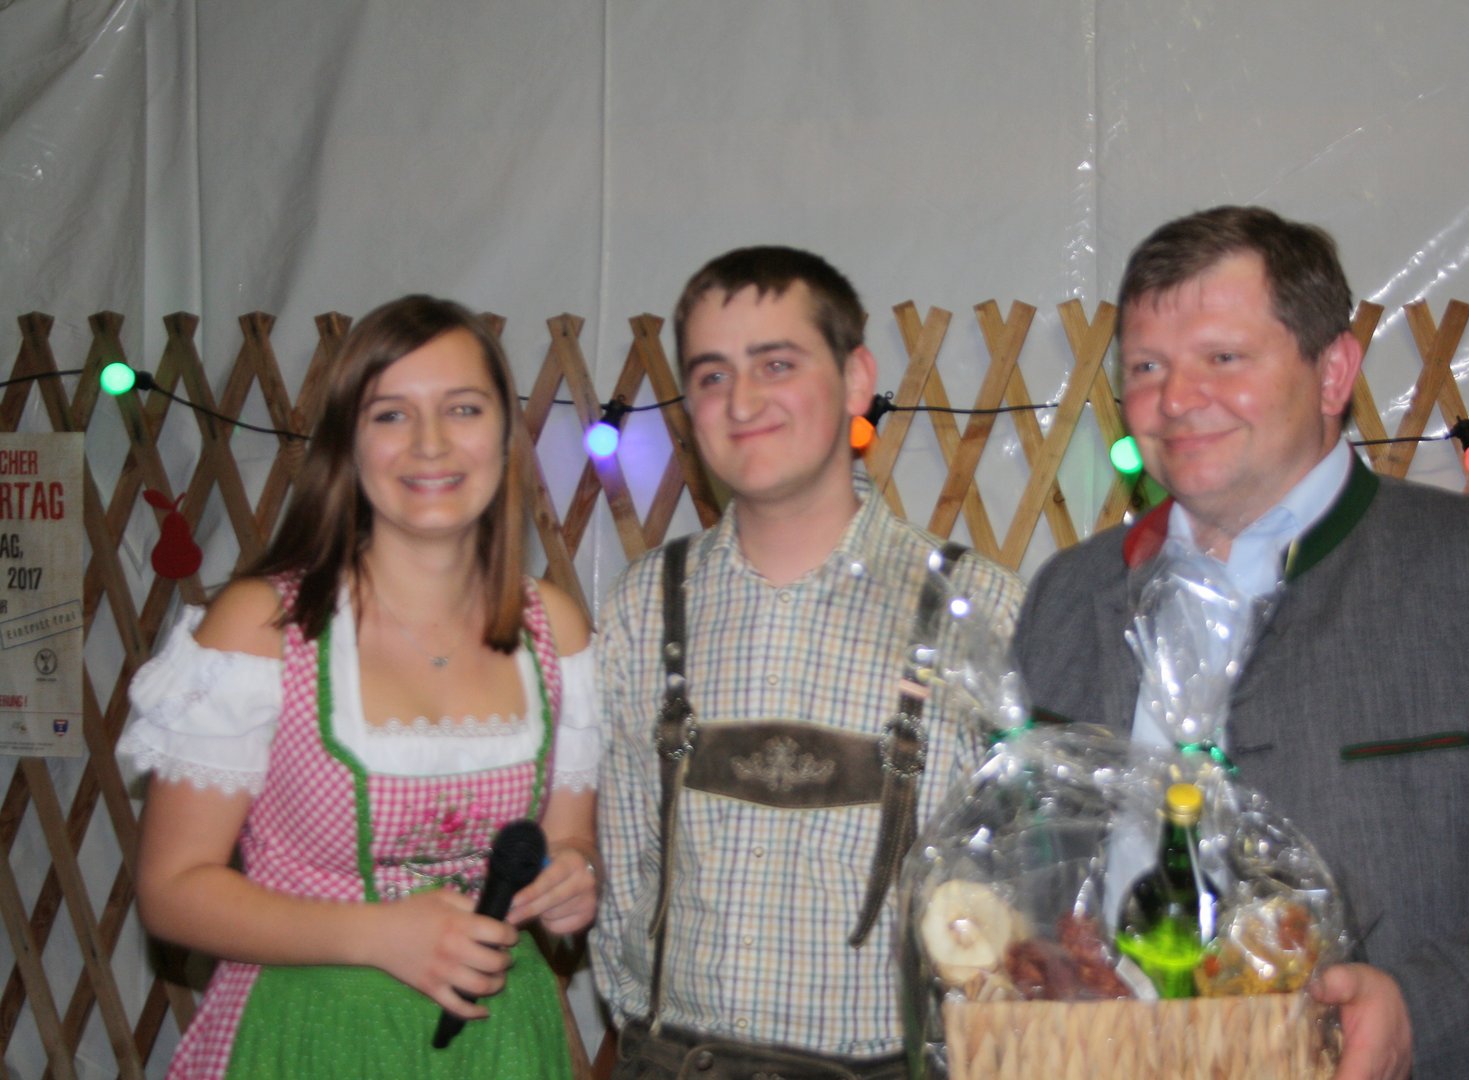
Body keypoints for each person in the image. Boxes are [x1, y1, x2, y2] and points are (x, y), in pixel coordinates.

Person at [1013, 206, 1469, 1080]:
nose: (1175, 399)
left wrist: (1422, 1014)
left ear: (1334, 372)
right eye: (1147, 367)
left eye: (1223, 358)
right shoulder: (1068, 597)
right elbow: (1020, 870)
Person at [118, 295, 601, 1078]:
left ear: (505, 436)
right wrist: (379, 934)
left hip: (500, 1042)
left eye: (463, 408)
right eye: (391, 415)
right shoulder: (263, 628)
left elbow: (568, 841)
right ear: (348, 442)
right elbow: (173, 891)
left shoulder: (554, 629)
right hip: (311, 1035)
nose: (431, 443)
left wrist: (573, 880)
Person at [589, 246, 1026, 1079]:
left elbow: (1020, 896)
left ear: (857, 380)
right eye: (711, 375)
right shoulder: (643, 606)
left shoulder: (979, 610)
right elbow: (620, 884)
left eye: (776, 364)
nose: (742, 401)